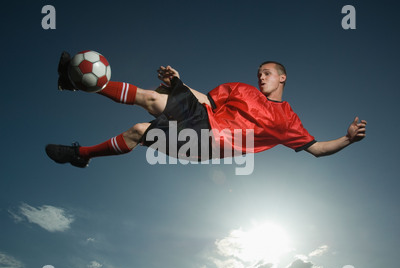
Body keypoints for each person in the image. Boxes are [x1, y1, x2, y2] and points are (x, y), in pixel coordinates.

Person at [45, 52, 367, 168]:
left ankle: (83, 153)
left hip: (207, 144)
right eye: (259, 72)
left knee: (139, 131)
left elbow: (317, 149)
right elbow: (207, 101)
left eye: (267, 72)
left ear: (282, 77)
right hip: (204, 118)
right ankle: (79, 84)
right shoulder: (241, 90)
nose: (260, 76)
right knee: (152, 97)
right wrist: (180, 84)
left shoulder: (286, 121)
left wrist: (348, 139)